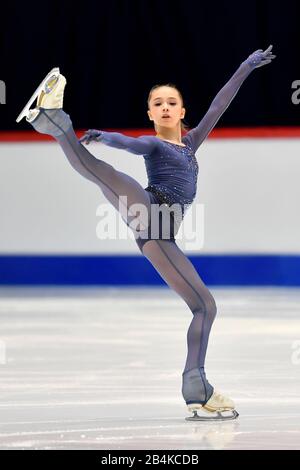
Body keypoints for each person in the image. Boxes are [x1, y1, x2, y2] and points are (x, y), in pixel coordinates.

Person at [16, 45, 276, 421]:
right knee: (102, 172)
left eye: (173, 102)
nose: (167, 107)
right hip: (150, 213)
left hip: (159, 235)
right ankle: (55, 122)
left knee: (204, 307)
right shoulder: (153, 143)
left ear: (183, 112)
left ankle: (54, 123)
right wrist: (108, 136)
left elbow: (219, 105)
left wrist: (245, 67)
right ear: (151, 113)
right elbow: (132, 144)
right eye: (159, 103)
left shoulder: (190, 143)